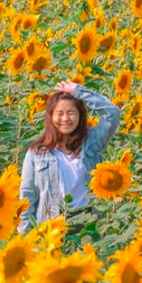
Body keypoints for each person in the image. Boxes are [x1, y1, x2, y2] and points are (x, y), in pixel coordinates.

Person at [17, 80, 121, 245]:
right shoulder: (36, 153)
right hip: (51, 228)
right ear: (50, 116)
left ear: (80, 116)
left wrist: (78, 91)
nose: (65, 118)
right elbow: (27, 197)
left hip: (89, 225)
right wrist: (24, 237)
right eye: (59, 113)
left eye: (71, 112)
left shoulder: (92, 142)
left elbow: (113, 113)